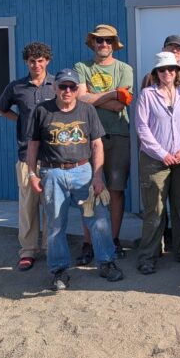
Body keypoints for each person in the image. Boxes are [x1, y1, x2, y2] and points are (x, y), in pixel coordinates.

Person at [26, 68, 123, 290]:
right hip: (52, 173)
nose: (67, 91)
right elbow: (33, 145)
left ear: (78, 89)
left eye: (72, 87)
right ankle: (58, 271)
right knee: (55, 224)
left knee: (99, 218)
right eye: (63, 86)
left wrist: (97, 176)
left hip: (83, 171)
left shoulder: (87, 110)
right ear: (55, 87)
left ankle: (106, 262)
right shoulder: (42, 111)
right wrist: (32, 173)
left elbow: (97, 145)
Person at [74, 24, 133, 263]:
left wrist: (93, 97)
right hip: (88, 136)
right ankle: (88, 242)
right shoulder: (82, 67)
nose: (104, 44)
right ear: (93, 43)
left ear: (114, 44)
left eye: (108, 41)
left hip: (117, 135)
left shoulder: (124, 69)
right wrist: (111, 94)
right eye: (99, 40)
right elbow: (80, 98)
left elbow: (121, 104)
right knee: (89, 191)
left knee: (116, 190)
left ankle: (114, 240)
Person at [134, 52, 180, 273]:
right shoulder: (147, 95)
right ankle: (148, 256)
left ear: (177, 72)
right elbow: (142, 128)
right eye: (162, 70)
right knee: (155, 209)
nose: (167, 73)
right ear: (156, 73)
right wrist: (162, 153)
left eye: (171, 69)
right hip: (154, 160)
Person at [0, 41, 56, 271]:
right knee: (28, 206)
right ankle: (28, 251)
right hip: (26, 156)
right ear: (26, 62)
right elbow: (1, 108)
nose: (36, 65)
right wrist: (20, 121)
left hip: (53, 156)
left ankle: (51, 248)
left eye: (40, 60)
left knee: (51, 206)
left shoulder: (57, 85)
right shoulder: (17, 87)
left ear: (47, 61)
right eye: (32, 61)